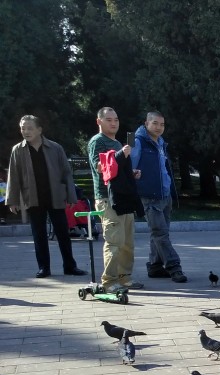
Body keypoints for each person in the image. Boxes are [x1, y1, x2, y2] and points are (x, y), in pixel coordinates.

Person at [6, 115, 86, 278]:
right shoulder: (18, 150)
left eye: (29, 128)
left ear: (39, 130)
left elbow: (66, 173)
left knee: (63, 233)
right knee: (38, 234)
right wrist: (13, 200)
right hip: (33, 197)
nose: (25, 131)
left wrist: (71, 196)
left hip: (55, 196)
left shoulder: (55, 148)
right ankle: (44, 267)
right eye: (22, 128)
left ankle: (70, 266)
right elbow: (13, 177)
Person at [88, 107, 143, 290]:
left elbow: (118, 168)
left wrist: (131, 173)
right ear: (99, 122)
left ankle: (124, 277)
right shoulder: (98, 141)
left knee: (127, 243)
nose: (113, 123)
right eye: (109, 120)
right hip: (107, 198)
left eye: (116, 119)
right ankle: (109, 281)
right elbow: (100, 167)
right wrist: (121, 156)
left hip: (122, 196)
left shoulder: (118, 143)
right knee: (114, 242)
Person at [131, 111, 187, 283]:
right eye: (155, 123)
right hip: (149, 196)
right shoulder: (138, 141)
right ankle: (174, 267)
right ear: (146, 123)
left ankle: (155, 267)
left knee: (159, 234)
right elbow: (130, 167)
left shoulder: (161, 143)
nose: (159, 127)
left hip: (164, 195)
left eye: (162, 124)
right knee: (160, 233)